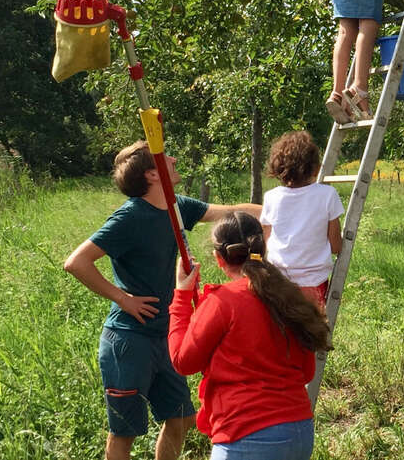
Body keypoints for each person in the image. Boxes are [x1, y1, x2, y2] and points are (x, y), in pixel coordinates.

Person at [63, 140, 262, 460]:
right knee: (124, 431)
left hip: (165, 336)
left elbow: (229, 212)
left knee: (181, 418)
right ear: (152, 175)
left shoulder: (176, 206)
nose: (172, 157)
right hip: (129, 340)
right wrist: (123, 299)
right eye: (164, 157)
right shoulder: (129, 218)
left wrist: (282, 207)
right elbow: (76, 262)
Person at [168, 212, 332, 460]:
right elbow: (306, 372)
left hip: (246, 435)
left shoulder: (222, 302)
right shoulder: (290, 296)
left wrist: (182, 296)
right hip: (299, 431)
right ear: (262, 249)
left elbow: (183, 360)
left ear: (218, 258)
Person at [259, 131, 343, 307]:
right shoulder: (327, 195)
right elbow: (336, 247)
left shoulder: (271, 197)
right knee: (311, 331)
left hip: (278, 281)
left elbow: (267, 240)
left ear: (278, 167)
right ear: (315, 167)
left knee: (282, 331)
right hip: (314, 282)